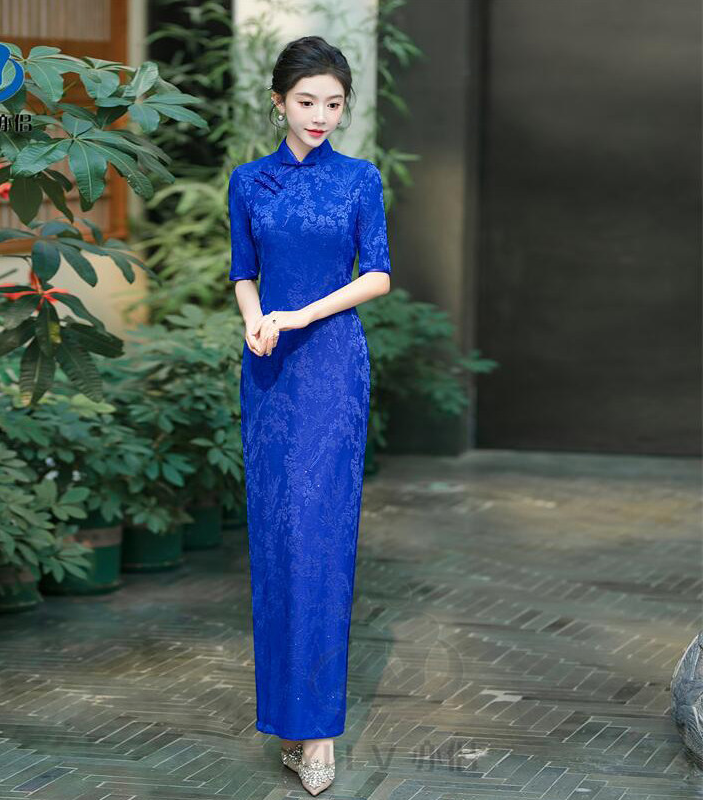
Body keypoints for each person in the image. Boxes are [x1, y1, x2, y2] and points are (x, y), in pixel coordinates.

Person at [227, 35, 391, 796]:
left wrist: (299, 315)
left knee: (321, 537)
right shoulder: (248, 182)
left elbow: (377, 275)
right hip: (269, 373)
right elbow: (244, 274)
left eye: (333, 103)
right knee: (276, 541)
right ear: (278, 102)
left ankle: (319, 733)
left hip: (330, 370)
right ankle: (288, 721)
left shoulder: (360, 179)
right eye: (306, 102)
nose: (320, 115)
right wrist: (255, 322)